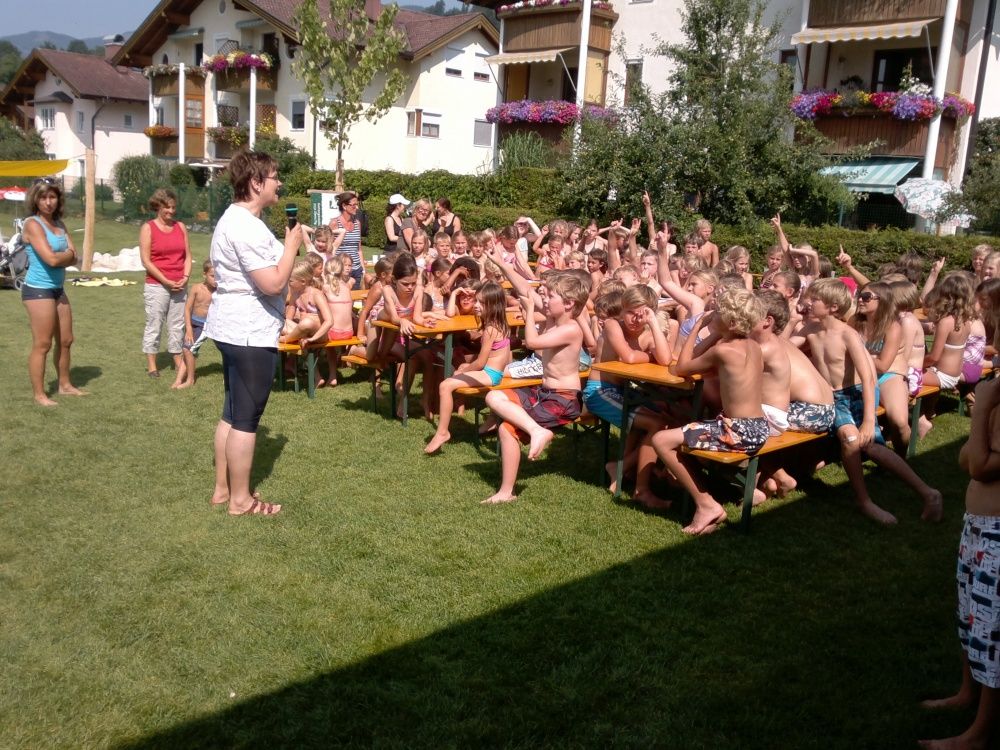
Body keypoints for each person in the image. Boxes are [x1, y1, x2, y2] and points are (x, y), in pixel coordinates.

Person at [204, 150, 304, 517]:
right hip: (248, 332)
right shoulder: (244, 226)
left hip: (234, 328)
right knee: (246, 418)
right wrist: (291, 246)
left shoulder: (238, 220)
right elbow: (273, 282)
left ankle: (223, 489)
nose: (280, 183)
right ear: (256, 182)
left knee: (232, 412)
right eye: (275, 176)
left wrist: (292, 250)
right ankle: (240, 500)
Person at [799, 278, 942, 525]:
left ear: (833, 307)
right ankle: (865, 501)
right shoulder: (812, 329)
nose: (808, 302)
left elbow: (868, 377)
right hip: (833, 398)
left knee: (869, 444)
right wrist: (794, 321)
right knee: (853, 439)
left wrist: (868, 420)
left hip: (856, 391)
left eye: (814, 299)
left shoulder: (849, 333)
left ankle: (927, 493)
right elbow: (785, 347)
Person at [918, 374, 1000, 749]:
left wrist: (982, 408)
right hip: (978, 528)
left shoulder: (991, 399)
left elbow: (979, 467)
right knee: (969, 616)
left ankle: (979, 734)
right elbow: (966, 457)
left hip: (997, 537)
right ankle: (967, 693)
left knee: (991, 633)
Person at [651, 288, 768, 534]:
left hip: (737, 432)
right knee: (687, 432)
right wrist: (716, 331)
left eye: (718, 312)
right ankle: (712, 493)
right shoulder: (752, 346)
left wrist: (696, 327)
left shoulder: (722, 351)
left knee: (661, 440)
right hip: (758, 428)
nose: (712, 313)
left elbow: (680, 368)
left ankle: (706, 505)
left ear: (731, 322)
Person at [482, 272, 589, 504]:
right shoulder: (555, 320)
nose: (545, 300)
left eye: (551, 296)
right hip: (544, 392)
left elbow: (531, 342)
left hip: (564, 399)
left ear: (569, 303)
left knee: (507, 429)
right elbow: (527, 290)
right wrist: (503, 263)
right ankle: (536, 430)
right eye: (546, 296)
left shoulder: (571, 329)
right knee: (493, 396)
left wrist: (529, 310)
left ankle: (506, 492)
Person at [20, 179, 87, 406]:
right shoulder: (32, 224)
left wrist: (65, 257)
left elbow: (75, 256)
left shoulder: (60, 224)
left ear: (58, 199)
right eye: (43, 197)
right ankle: (40, 394)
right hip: (38, 290)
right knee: (43, 344)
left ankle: (65, 385)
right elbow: (51, 259)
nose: (48, 202)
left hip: (58, 289)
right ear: (35, 200)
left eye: (52, 197)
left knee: (66, 340)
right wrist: (65, 256)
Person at [425, 281, 512, 454]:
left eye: (481, 303)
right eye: (476, 301)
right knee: (462, 365)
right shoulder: (500, 323)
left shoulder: (490, 329)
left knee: (445, 385)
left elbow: (480, 363)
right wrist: (465, 368)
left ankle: (442, 432)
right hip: (494, 371)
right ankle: (457, 411)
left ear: (493, 305)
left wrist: (462, 371)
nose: (476, 305)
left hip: (490, 374)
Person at [140, 188, 192, 384]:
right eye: (167, 207)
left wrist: (185, 277)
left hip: (179, 284)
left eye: (173, 207)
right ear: (158, 207)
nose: (171, 211)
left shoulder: (180, 227)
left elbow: (187, 255)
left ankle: (177, 358)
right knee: (155, 323)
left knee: (177, 324)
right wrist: (165, 280)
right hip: (157, 285)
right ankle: (152, 364)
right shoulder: (148, 228)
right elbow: (146, 261)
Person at [177, 259, 217, 389]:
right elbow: (187, 309)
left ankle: (190, 379)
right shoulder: (196, 288)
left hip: (206, 325)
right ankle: (178, 380)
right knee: (186, 349)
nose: (215, 280)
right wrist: (188, 328)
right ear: (204, 274)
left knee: (188, 349)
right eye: (212, 276)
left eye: (218, 276)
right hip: (193, 323)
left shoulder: (219, 292)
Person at [328, 190, 363, 288]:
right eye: (354, 205)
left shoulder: (357, 223)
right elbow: (329, 248)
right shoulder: (334, 223)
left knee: (357, 297)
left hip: (356, 269)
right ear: (344, 206)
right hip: (340, 270)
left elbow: (359, 249)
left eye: (357, 204)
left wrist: (363, 269)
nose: (356, 207)